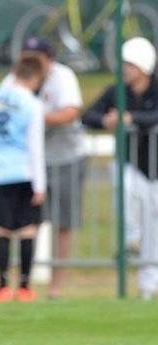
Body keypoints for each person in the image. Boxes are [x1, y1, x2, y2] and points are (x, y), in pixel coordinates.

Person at [4, 37, 86, 299]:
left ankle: (56, 287)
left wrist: (33, 118)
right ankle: (25, 284)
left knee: (63, 223)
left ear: (49, 60)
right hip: (30, 162)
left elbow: (71, 111)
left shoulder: (63, 77)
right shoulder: (14, 79)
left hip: (65, 157)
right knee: (28, 222)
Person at [82, 37, 158, 300]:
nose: (125, 69)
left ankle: (148, 285)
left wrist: (131, 118)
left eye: (130, 64)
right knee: (124, 186)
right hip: (130, 162)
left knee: (154, 227)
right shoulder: (116, 92)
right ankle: (130, 237)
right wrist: (107, 120)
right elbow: (88, 115)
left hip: (155, 168)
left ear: (144, 67)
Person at [0, 56, 46, 302]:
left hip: (1, 171)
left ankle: (1, 286)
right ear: (35, 78)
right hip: (25, 171)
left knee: (3, 229)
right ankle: (25, 286)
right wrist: (40, 184)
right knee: (28, 229)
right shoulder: (32, 104)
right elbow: (35, 145)